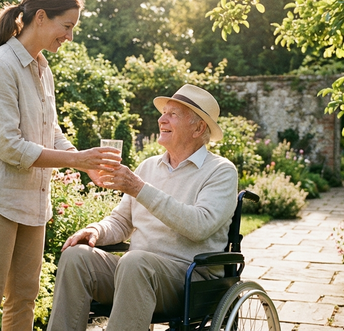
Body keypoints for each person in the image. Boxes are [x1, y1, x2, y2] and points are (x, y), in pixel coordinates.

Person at [0, 0, 121, 331]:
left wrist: (85, 163)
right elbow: (10, 147)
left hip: (31, 204)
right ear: (42, 17)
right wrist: (77, 161)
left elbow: (52, 132)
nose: (70, 37)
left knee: (24, 298)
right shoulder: (0, 66)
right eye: (68, 27)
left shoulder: (42, 68)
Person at [46, 84, 239, 331]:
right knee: (76, 256)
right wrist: (96, 231)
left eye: (173, 114)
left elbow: (199, 226)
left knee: (136, 262)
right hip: (134, 273)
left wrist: (139, 188)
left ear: (199, 127)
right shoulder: (149, 166)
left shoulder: (220, 171)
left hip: (188, 280)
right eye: (163, 113)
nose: (161, 119)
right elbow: (121, 221)